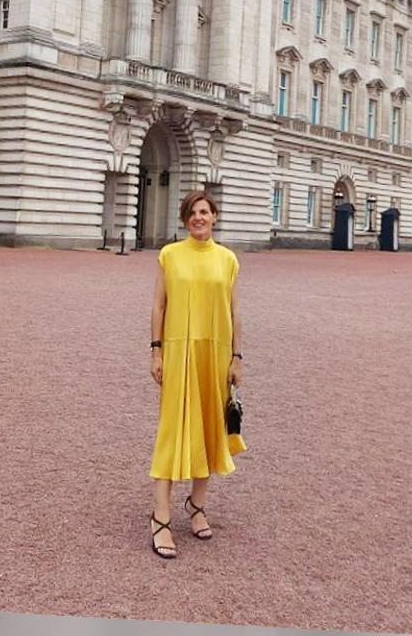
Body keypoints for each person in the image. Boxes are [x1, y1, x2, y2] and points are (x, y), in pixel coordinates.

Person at [147, 189, 246, 559]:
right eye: (192, 213)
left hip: (216, 352)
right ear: (185, 219)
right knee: (172, 430)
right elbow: (158, 305)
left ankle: (197, 505)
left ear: (215, 216)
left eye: (204, 212)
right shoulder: (169, 255)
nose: (198, 218)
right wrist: (155, 350)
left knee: (209, 427)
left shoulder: (228, 260)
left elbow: (236, 313)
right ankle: (160, 518)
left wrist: (237, 357)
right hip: (178, 351)